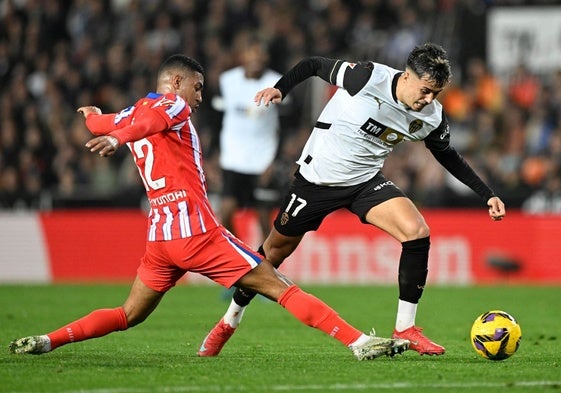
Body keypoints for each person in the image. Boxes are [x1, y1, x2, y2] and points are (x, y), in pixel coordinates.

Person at [8, 54, 409, 361]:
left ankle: (49, 340)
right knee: (280, 287)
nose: (199, 98)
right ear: (176, 82)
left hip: (160, 238)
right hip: (196, 232)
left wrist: (97, 122)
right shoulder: (172, 106)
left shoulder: (131, 110)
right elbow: (143, 127)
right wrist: (117, 139)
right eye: (197, 88)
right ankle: (358, 342)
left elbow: (109, 124)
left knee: (128, 314)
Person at [197, 43, 506, 357]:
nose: (429, 99)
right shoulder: (368, 77)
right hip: (316, 180)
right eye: (426, 90)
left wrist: (487, 194)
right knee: (271, 255)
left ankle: (406, 329)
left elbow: (448, 156)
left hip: (364, 182)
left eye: (436, 94)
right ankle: (228, 322)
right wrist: (281, 89)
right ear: (407, 76)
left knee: (417, 231)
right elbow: (314, 63)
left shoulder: (431, 116)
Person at [215, 33, 283, 242]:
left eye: (259, 56)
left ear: (265, 58)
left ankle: (268, 265)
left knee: (263, 218)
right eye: (251, 55)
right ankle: (242, 256)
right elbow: (215, 117)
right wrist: (212, 154)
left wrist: (275, 160)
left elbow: (286, 123)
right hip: (233, 159)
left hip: (263, 159)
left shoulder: (275, 82)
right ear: (242, 56)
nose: (255, 60)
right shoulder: (226, 81)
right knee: (225, 213)